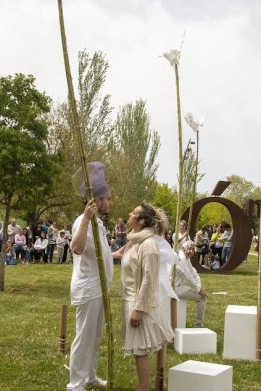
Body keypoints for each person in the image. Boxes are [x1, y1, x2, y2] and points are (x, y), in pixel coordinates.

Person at [67, 162, 113, 391]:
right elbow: (76, 248)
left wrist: (116, 254)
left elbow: (98, 254)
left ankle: (90, 376)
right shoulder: (82, 221)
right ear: (98, 200)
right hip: (88, 288)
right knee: (84, 337)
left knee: (95, 337)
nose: (110, 202)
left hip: (100, 288)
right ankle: (75, 383)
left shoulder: (100, 225)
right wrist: (85, 218)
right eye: (108, 199)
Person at [118, 202, 174, 391]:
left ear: (141, 220)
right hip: (129, 300)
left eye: (133, 213)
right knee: (138, 350)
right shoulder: (134, 241)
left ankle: (143, 388)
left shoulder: (148, 244)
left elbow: (149, 279)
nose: (129, 213)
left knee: (140, 350)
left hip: (138, 304)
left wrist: (139, 309)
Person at [174, 240, 207, 327]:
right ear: (183, 249)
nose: (191, 251)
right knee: (202, 297)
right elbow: (188, 276)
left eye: (192, 249)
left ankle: (198, 325)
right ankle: (198, 326)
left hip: (177, 286)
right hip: (174, 288)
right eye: (189, 249)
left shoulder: (186, 258)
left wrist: (199, 286)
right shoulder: (181, 259)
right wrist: (199, 290)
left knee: (201, 295)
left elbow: (194, 272)